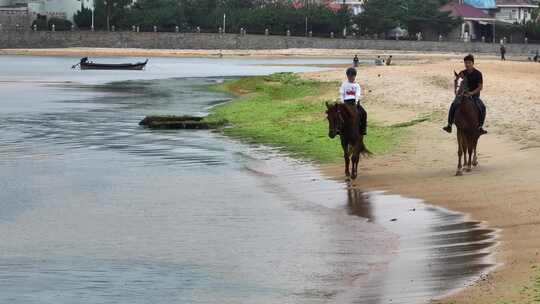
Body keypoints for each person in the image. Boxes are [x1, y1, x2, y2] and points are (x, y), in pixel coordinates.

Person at [443, 54, 487, 135]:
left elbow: (480, 87)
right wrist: (455, 91)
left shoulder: (478, 74)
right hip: (462, 95)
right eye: (466, 63)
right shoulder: (462, 73)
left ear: (473, 63)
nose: (467, 64)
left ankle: (480, 127)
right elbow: (456, 81)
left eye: (469, 62)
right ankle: (449, 125)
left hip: (474, 96)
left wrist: (471, 93)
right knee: (453, 105)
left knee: (482, 107)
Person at [340, 67, 367, 135]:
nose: (351, 77)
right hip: (346, 102)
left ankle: (363, 129)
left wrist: (356, 102)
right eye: (349, 76)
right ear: (347, 76)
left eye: (352, 76)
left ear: (355, 76)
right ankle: (338, 130)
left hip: (354, 102)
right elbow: (342, 93)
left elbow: (357, 94)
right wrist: (342, 102)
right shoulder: (344, 84)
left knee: (364, 113)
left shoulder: (357, 85)